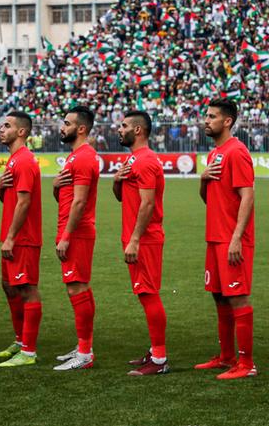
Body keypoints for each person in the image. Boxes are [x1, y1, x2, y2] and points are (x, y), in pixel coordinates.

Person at [194, 98, 257, 380]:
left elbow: (248, 196)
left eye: (212, 116)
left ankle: (247, 364)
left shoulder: (237, 152)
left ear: (227, 121)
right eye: (206, 116)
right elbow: (207, 199)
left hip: (232, 239)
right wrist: (203, 179)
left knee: (238, 299)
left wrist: (236, 238)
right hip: (214, 238)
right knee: (220, 298)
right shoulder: (215, 154)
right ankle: (226, 357)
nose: (206, 120)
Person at [113, 110, 169, 376]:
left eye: (123, 125)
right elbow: (124, 198)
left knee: (148, 294)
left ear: (137, 130)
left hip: (144, 239)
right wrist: (116, 181)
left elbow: (148, 204)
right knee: (144, 293)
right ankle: (154, 351)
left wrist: (135, 239)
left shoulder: (145, 161)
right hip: (137, 237)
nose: (118, 129)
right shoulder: (133, 159)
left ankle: (159, 360)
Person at [52, 106, 100, 371]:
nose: (62, 127)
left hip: (77, 232)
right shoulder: (75, 156)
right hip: (71, 230)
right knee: (79, 286)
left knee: (76, 287)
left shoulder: (83, 157)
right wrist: (56, 187)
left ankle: (84, 353)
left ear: (81, 129)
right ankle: (84, 347)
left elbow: (80, 201)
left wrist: (67, 236)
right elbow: (68, 198)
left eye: (67, 123)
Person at [0, 111, 43, 368]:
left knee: (27, 289)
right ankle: (20, 340)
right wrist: (1, 189)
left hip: (23, 238)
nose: (2, 129)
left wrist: (11, 238)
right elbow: (13, 200)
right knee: (8, 285)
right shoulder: (14, 160)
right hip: (13, 236)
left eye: (8, 126)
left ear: (21, 132)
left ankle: (29, 351)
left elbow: (24, 203)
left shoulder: (24, 160)